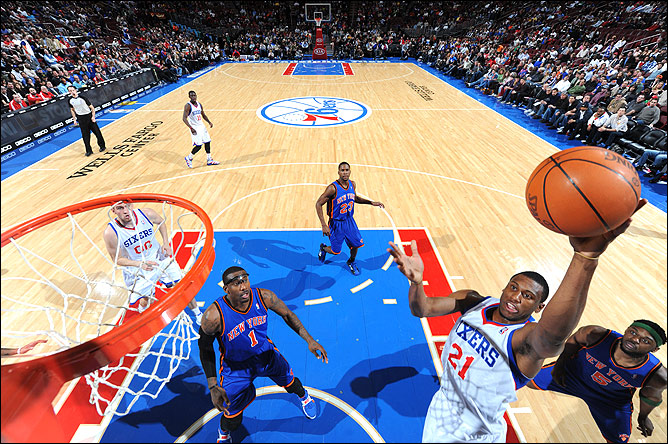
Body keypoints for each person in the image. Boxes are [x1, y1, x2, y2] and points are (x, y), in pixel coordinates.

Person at [387, 198, 646, 443]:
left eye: (527, 296)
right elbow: (422, 309)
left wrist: (585, 258)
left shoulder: (524, 340)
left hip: (473, 435)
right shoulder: (472, 301)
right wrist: (416, 282)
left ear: (539, 307)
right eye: (513, 287)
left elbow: (553, 335)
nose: (516, 297)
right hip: (441, 408)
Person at [198, 266, 328, 443]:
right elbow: (205, 348)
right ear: (226, 289)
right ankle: (224, 433)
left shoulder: (264, 296)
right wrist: (213, 385)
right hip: (236, 369)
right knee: (232, 417)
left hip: (266, 356)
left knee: (291, 383)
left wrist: (309, 340)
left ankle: (303, 396)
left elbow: (288, 315)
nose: (244, 286)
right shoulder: (213, 316)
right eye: (236, 283)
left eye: (245, 280)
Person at [527, 320, 666, 443]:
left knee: (619, 441)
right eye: (633, 332)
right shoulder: (595, 335)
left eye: (645, 341)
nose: (635, 339)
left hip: (610, 399)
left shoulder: (657, 375)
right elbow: (573, 342)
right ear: (626, 330)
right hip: (573, 374)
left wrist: (643, 417)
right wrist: (559, 366)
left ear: (654, 349)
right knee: (529, 381)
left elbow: (650, 397)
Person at [102, 201, 203, 322]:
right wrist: (140, 264)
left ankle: (198, 314)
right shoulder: (110, 232)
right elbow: (117, 259)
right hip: (138, 268)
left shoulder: (146, 213)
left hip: (159, 258)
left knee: (182, 286)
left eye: (127, 206)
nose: (125, 211)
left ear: (132, 205)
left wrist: (165, 243)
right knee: (147, 298)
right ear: (113, 210)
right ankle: (142, 309)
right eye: (120, 208)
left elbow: (161, 222)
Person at [315, 162, 385, 275]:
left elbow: (355, 198)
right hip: (336, 224)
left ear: (350, 171)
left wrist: (371, 202)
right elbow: (318, 204)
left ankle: (351, 261)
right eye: (342, 170)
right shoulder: (332, 188)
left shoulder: (352, 184)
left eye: (347, 170)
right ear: (338, 172)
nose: (345, 172)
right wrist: (323, 225)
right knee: (335, 251)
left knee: (356, 244)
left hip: (349, 221)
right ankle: (323, 248)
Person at [183, 90, 219, 168]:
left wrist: (209, 122)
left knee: (207, 142)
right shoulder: (188, 106)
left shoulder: (199, 104)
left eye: (194, 95)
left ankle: (209, 159)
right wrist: (191, 128)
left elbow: (203, 114)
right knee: (199, 145)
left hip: (202, 126)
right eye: (192, 96)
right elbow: (184, 118)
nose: (193, 97)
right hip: (195, 128)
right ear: (189, 97)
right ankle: (189, 158)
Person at [68, 85, 106, 157]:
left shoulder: (83, 98)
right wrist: (74, 119)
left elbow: (92, 108)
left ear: (75, 90)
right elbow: (72, 110)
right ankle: (88, 150)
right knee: (85, 136)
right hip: (81, 119)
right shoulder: (70, 100)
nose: (72, 92)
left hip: (89, 117)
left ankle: (102, 146)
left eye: (73, 90)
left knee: (97, 133)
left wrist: (93, 117)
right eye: (70, 91)